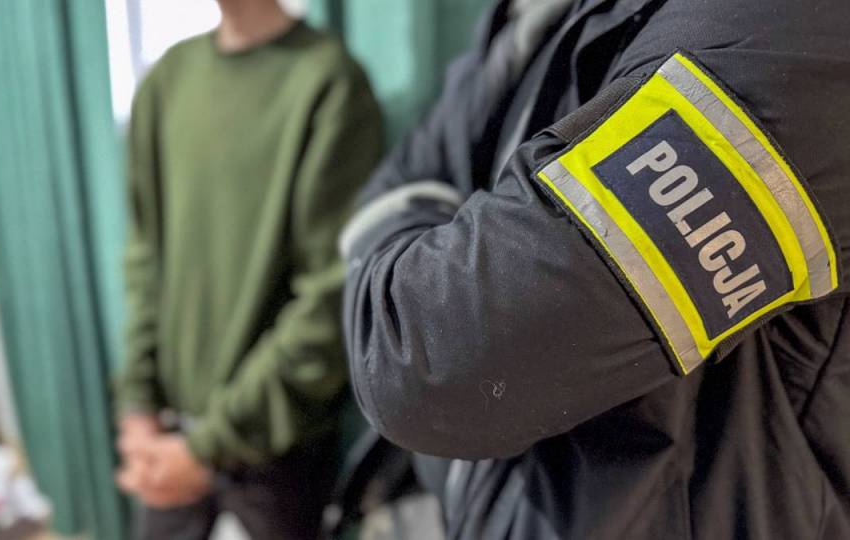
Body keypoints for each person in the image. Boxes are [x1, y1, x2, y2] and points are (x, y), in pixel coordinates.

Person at [339, 0, 850, 538]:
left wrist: (401, 222)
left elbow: (427, 356)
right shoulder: (552, 16)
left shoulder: (786, 32)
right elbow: (430, 152)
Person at [112, 0, 383, 537]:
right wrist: (137, 406)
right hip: (168, 434)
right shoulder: (167, 80)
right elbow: (145, 259)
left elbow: (332, 297)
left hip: (277, 453)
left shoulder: (328, 81)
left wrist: (209, 445)